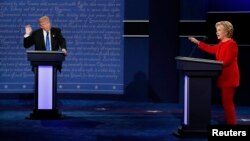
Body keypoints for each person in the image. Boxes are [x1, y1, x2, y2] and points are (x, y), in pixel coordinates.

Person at [188, 21, 240, 125]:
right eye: (217, 30)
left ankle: (231, 125)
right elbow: (211, 49)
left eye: (219, 30)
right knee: (226, 103)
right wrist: (197, 42)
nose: (217, 32)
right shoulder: (221, 44)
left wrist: (214, 65)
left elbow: (227, 61)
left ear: (226, 31)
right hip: (224, 77)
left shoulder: (231, 44)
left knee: (227, 103)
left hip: (230, 78)